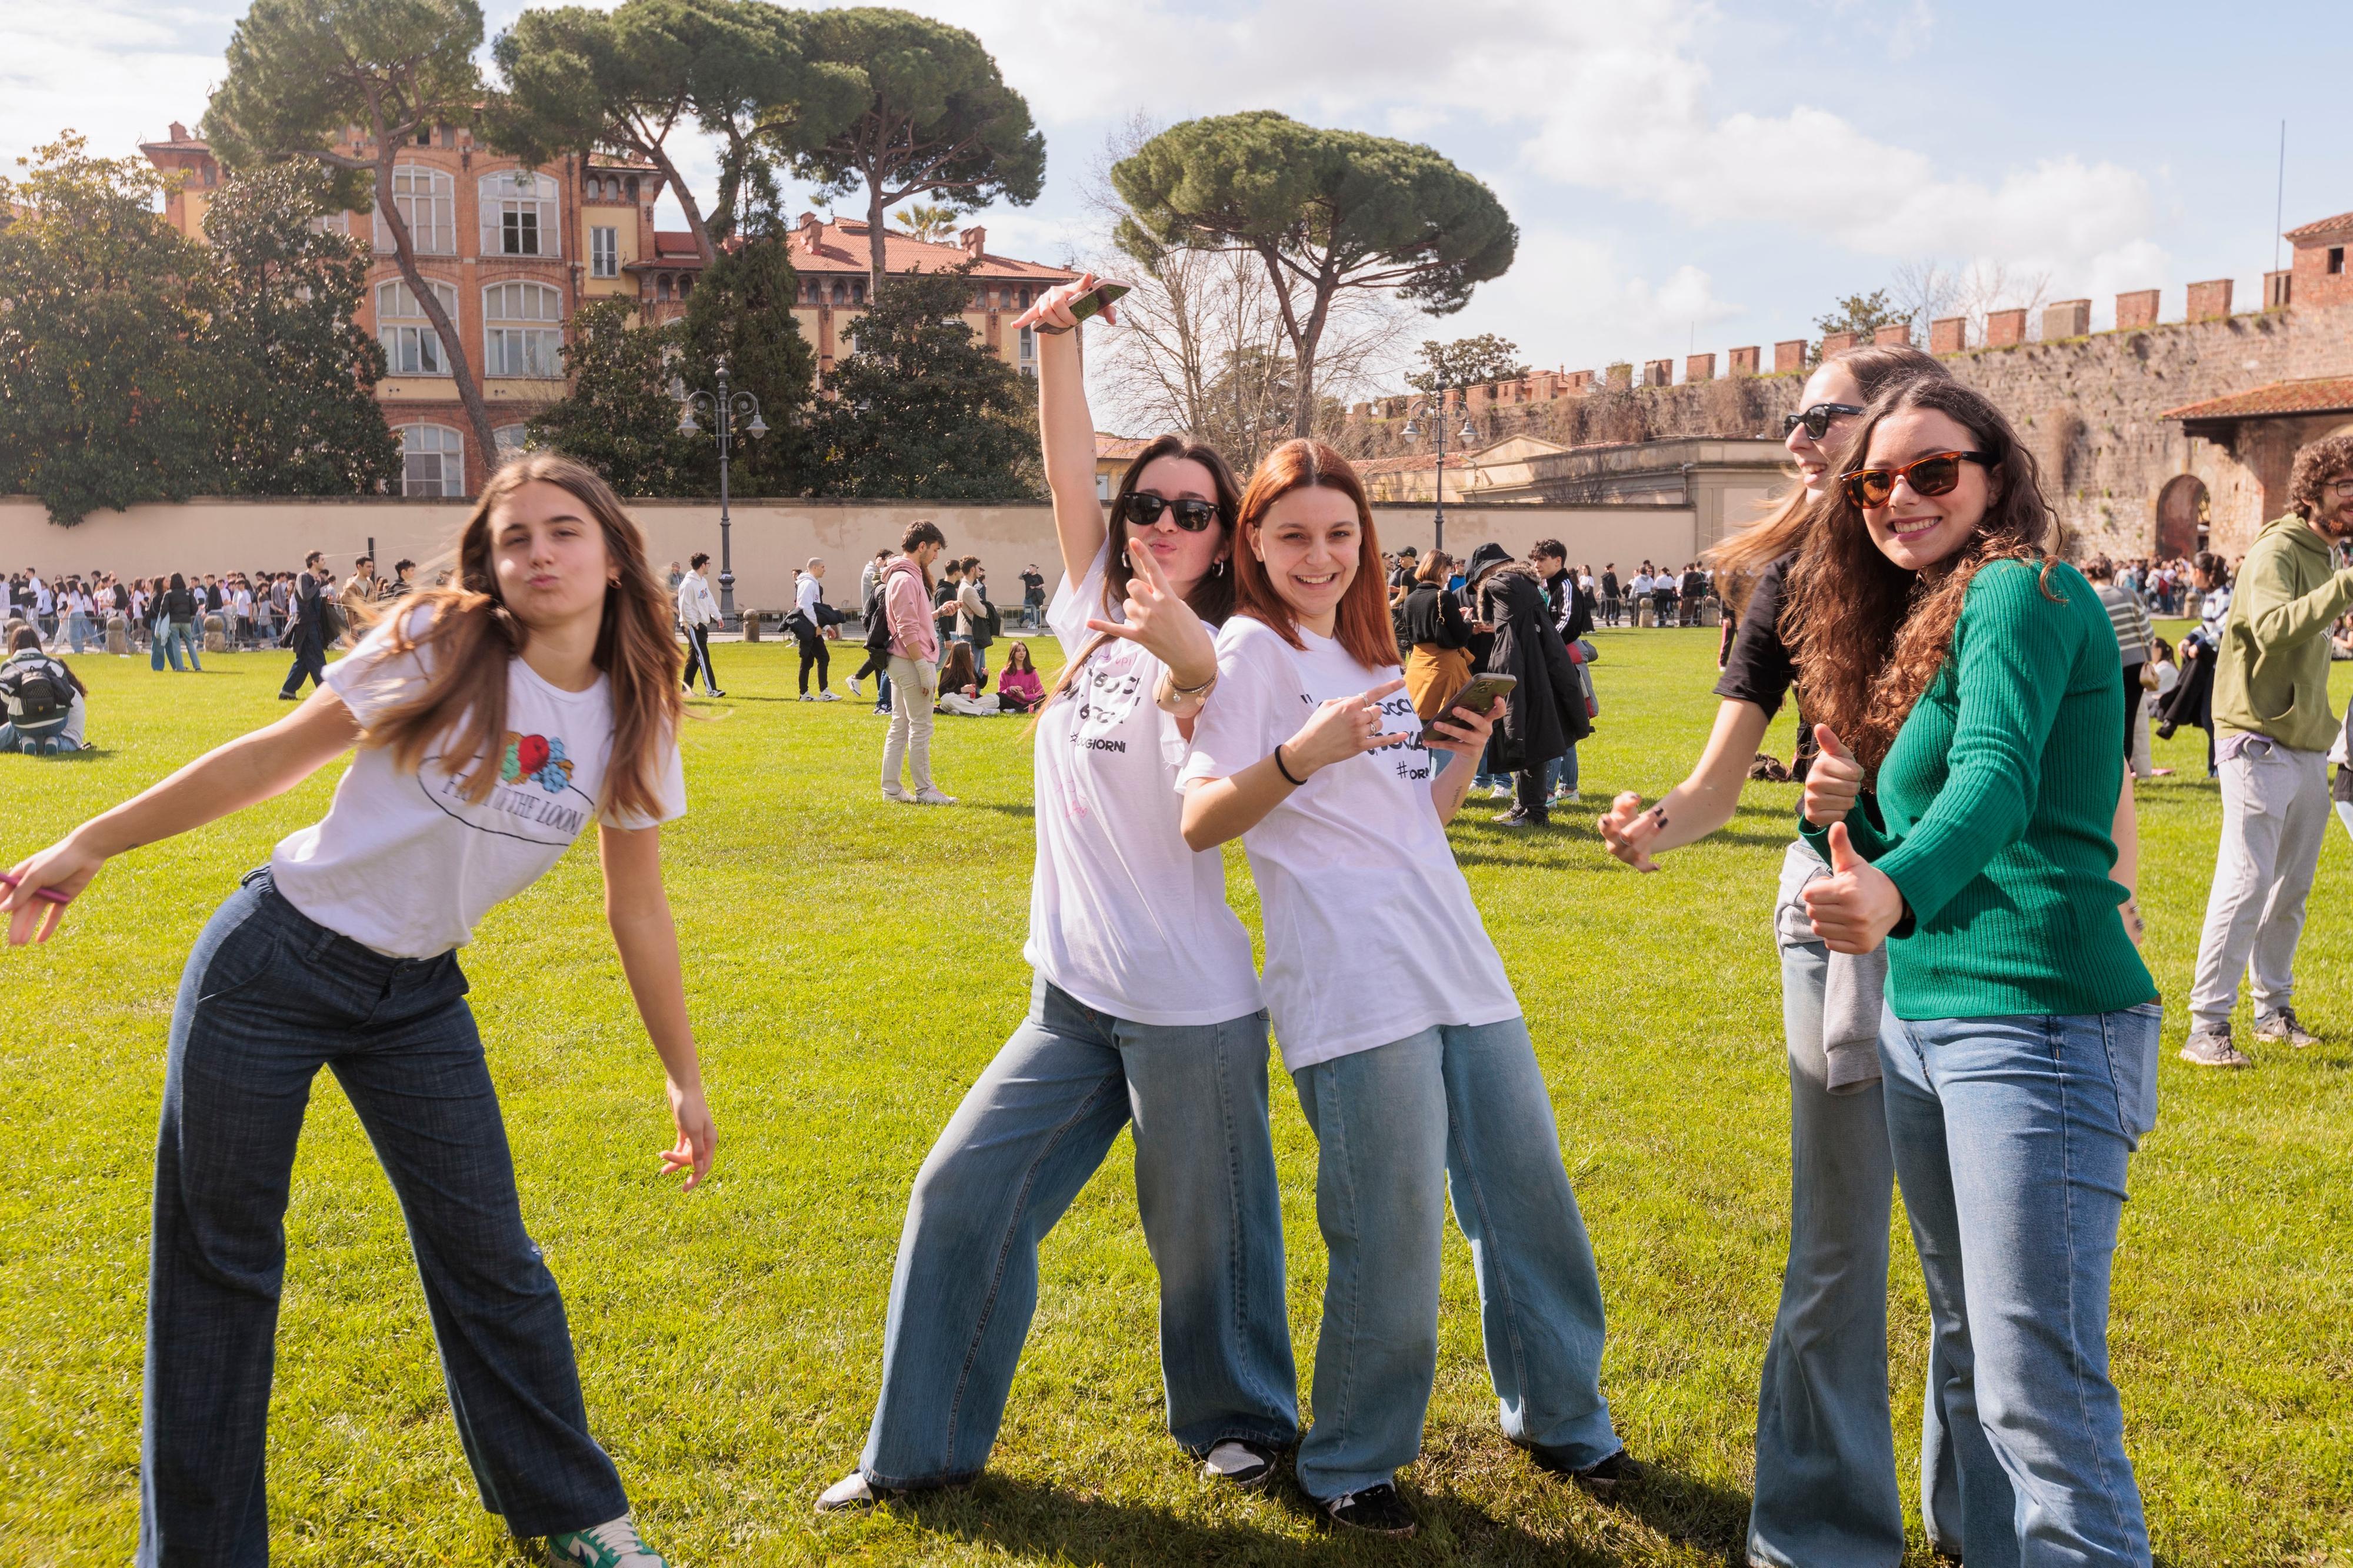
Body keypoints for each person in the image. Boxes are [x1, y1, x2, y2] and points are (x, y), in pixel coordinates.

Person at [2, 455, 711, 1568]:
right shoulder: (440, 642)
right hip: (273, 966)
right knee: (222, 1268)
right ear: (488, 562)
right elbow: (269, 760)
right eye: (512, 537)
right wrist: (89, 840)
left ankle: (573, 1512)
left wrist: (683, 1071)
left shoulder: (635, 714)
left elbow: (640, 908)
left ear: (616, 554)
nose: (537, 554)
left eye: (564, 531)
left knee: (494, 1258)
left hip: (416, 995)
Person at [820, 274, 1293, 1514]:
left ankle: (1239, 1421)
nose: (1163, 521)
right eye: (1149, 504)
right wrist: (1054, 341)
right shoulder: (1091, 598)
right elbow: (1067, 454)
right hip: (1069, 992)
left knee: (1206, 1241)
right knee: (958, 1195)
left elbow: (1202, 699)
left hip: (1189, 1004)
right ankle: (912, 1450)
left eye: (1193, 510)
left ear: (1223, 530)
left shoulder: (1230, 643)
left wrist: (1181, 648)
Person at [1178, 438, 1627, 1537]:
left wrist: (1460, 753)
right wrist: (1299, 755)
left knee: (1528, 1200)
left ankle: (1563, 1415)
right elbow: (1198, 816)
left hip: (1457, 962)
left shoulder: (1369, 652)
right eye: (1293, 535)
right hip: (1348, 981)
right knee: (1388, 1233)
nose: (1320, 555)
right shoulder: (1246, 651)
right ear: (1255, 544)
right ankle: (1349, 1461)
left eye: (1340, 534)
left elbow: (1408, 823)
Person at [1594, 343, 1969, 1568]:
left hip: (1975, 923)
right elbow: (1716, 780)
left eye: (1822, 419)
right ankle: (1819, 1536)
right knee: (1837, 1242)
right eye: (1792, 423)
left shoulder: (2007, 579)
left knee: (1976, 1254)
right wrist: (1652, 825)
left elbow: (2067, 760)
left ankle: (1987, 1523)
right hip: (1827, 915)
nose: (1797, 443)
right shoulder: (1792, 585)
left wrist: (2117, 890)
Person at [1789, 376, 2159, 1566]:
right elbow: (1911, 823)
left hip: (2036, 1024)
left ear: (1993, 473)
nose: (1899, 497)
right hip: (1927, 1019)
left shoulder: (2019, 586)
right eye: (1875, 481)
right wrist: (1835, 829)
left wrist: (1890, 891)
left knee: (2034, 1393)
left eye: (1931, 471)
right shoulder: (1921, 615)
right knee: (1972, 1349)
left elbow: (1994, 780)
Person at [2181, 433, 2353, 1067]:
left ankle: (2271, 1010)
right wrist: (2346, 587)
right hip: (2255, 737)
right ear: (2311, 493)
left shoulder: (2324, 553)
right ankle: (2206, 1026)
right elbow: (2271, 625)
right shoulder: (2277, 549)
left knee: (2291, 889)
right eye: (2345, 487)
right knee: (2247, 879)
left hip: (2306, 740)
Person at [1461, 542, 1587, 829]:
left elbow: (1511, 637)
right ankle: (1524, 807)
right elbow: (1516, 627)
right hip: (1536, 668)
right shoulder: (1521, 583)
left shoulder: (1499, 584)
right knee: (1526, 738)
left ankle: (1534, 813)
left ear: (1487, 572)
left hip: (1522, 672)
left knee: (1524, 737)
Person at [878, 522, 954, 805]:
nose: (936, 556)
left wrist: (934, 614)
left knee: (900, 725)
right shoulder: (906, 579)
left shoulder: (903, 576)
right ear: (922, 546)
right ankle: (925, 790)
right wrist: (923, 667)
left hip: (903, 660)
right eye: (935, 550)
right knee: (920, 727)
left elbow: (912, 622)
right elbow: (907, 628)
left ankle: (893, 790)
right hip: (911, 661)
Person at [2085, 558, 2157, 770]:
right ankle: (2127, 767)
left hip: (2108, 665)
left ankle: (2110, 768)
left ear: (2089, 576)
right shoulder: (2129, 595)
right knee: (2130, 720)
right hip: (2136, 665)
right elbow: (2148, 633)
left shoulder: (2090, 598)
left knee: (2107, 721)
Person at [1398, 551, 1472, 722]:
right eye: (1447, 572)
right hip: (1442, 671)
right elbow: (1461, 637)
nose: (1448, 577)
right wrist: (1467, 621)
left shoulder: (1410, 600)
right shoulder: (1444, 596)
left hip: (1417, 670)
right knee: (1444, 731)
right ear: (1440, 571)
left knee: (1419, 728)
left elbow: (1412, 634)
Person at [0, 625, 88, 753]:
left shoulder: (8, 666)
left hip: (23, 724)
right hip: (55, 723)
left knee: (16, 727)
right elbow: (64, 694)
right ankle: (49, 740)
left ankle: (25, 739)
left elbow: (5, 699)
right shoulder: (53, 664)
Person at [279, 552, 333, 700]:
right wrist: (317, 584)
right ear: (314, 562)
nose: (324, 562)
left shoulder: (315, 579)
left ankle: (287, 692)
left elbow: (312, 599)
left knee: (304, 661)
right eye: (322, 560)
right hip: (306, 625)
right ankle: (326, 694)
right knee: (317, 658)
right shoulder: (303, 577)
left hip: (313, 623)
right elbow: (305, 596)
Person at [676, 551, 723, 698]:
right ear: (703, 565)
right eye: (708, 564)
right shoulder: (688, 584)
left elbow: (709, 601)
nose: (709, 567)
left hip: (701, 624)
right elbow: (684, 607)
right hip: (691, 625)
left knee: (694, 658)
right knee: (703, 656)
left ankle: (685, 690)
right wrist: (695, 624)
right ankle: (711, 689)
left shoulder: (702, 582)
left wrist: (718, 616)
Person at [791, 558, 838, 702]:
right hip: (809, 627)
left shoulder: (812, 583)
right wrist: (817, 626)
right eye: (823, 567)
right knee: (822, 658)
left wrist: (826, 627)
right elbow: (806, 606)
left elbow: (816, 608)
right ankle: (823, 692)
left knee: (807, 661)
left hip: (812, 626)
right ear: (815, 568)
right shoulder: (808, 583)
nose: (825, 569)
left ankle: (805, 694)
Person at [931, 642, 1001, 716]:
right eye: (970, 652)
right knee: (948, 698)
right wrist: (962, 690)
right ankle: (982, 711)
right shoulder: (948, 669)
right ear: (962, 654)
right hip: (956, 699)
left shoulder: (970, 668)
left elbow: (981, 685)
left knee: (995, 699)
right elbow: (942, 693)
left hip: (969, 701)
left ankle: (960, 711)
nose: (972, 654)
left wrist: (985, 676)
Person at [161, 572, 203, 673]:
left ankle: (179, 667)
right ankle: (197, 666)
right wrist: (189, 615)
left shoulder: (169, 594)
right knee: (190, 643)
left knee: (176, 644)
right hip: (186, 621)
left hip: (173, 621)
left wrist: (165, 618)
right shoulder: (188, 593)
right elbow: (195, 607)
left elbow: (164, 609)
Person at [994, 639, 1045, 713]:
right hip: (1012, 703)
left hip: (1027, 702)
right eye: (1018, 651)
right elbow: (1001, 693)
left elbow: (1041, 693)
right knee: (999, 696)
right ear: (1013, 653)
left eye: (1024, 651)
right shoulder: (1004, 672)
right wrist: (1010, 689)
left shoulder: (1032, 672)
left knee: (1046, 697)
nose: (1022, 653)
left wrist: (1025, 697)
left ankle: (1016, 711)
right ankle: (1028, 709)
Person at [1018, 562, 1046, 629]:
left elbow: (1043, 585)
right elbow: (1020, 578)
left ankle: (1036, 624)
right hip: (1028, 595)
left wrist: (1035, 587)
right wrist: (1023, 572)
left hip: (1035, 596)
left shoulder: (1039, 577)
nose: (1029, 569)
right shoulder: (1027, 576)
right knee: (1026, 609)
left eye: (1030, 568)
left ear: (1034, 569)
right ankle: (1032, 621)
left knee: (1036, 610)